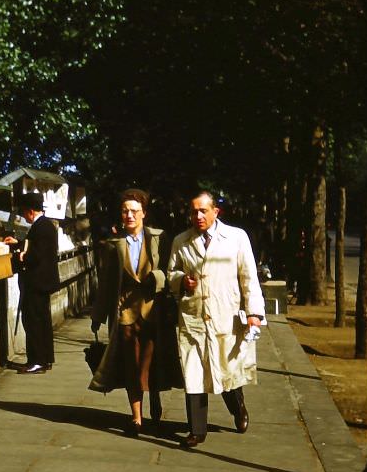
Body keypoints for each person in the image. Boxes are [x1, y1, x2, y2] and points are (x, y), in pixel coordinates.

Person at [167, 190, 265, 448]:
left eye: (203, 211)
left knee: (225, 371)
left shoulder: (236, 237)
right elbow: (171, 273)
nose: (198, 216)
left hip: (226, 316)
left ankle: (238, 407)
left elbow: (248, 277)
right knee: (194, 373)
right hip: (193, 317)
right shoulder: (181, 241)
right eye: (194, 212)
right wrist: (181, 281)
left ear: (215, 212)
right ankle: (196, 430)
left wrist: (254, 313)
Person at [89, 189, 182, 437]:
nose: (129, 215)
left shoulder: (159, 238)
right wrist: (98, 316)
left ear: (143, 213)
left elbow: (170, 269)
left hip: (154, 311)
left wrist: (157, 278)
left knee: (152, 363)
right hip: (125, 313)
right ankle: (136, 417)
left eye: (134, 211)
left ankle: (155, 399)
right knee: (131, 365)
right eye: (125, 211)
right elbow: (106, 282)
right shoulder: (113, 245)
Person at [4, 192, 60, 374]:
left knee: (33, 322)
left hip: (37, 282)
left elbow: (36, 254)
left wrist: (21, 256)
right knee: (42, 321)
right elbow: (35, 246)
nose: (24, 216)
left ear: (30, 211)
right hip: (42, 282)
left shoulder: (40, 227)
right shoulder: (45, 225)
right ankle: (45, 359)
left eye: (24, 212)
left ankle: (37, 361)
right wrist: (18, 243)